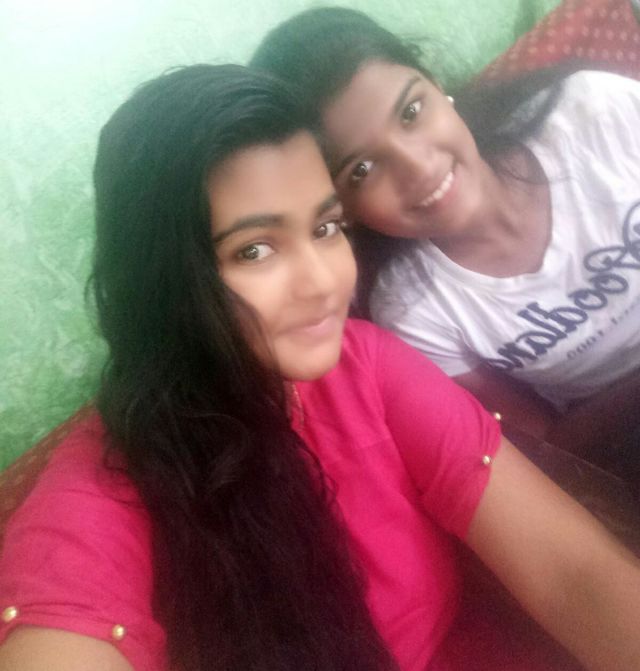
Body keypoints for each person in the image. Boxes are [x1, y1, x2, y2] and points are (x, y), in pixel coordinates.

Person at [1, 64, 640, 671]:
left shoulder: (366, 367)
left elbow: (571, 573)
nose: (324, 282)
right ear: (163, 281)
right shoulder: (106, 491)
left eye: (326, 228)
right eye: (254, 250)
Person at [250, 7, 640, 464]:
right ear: (341, 209)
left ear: (437, 86)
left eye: (411, 112)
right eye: (362, 169)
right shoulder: (416, 310)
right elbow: (550, 449)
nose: (417, 167)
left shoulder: (594, 114)